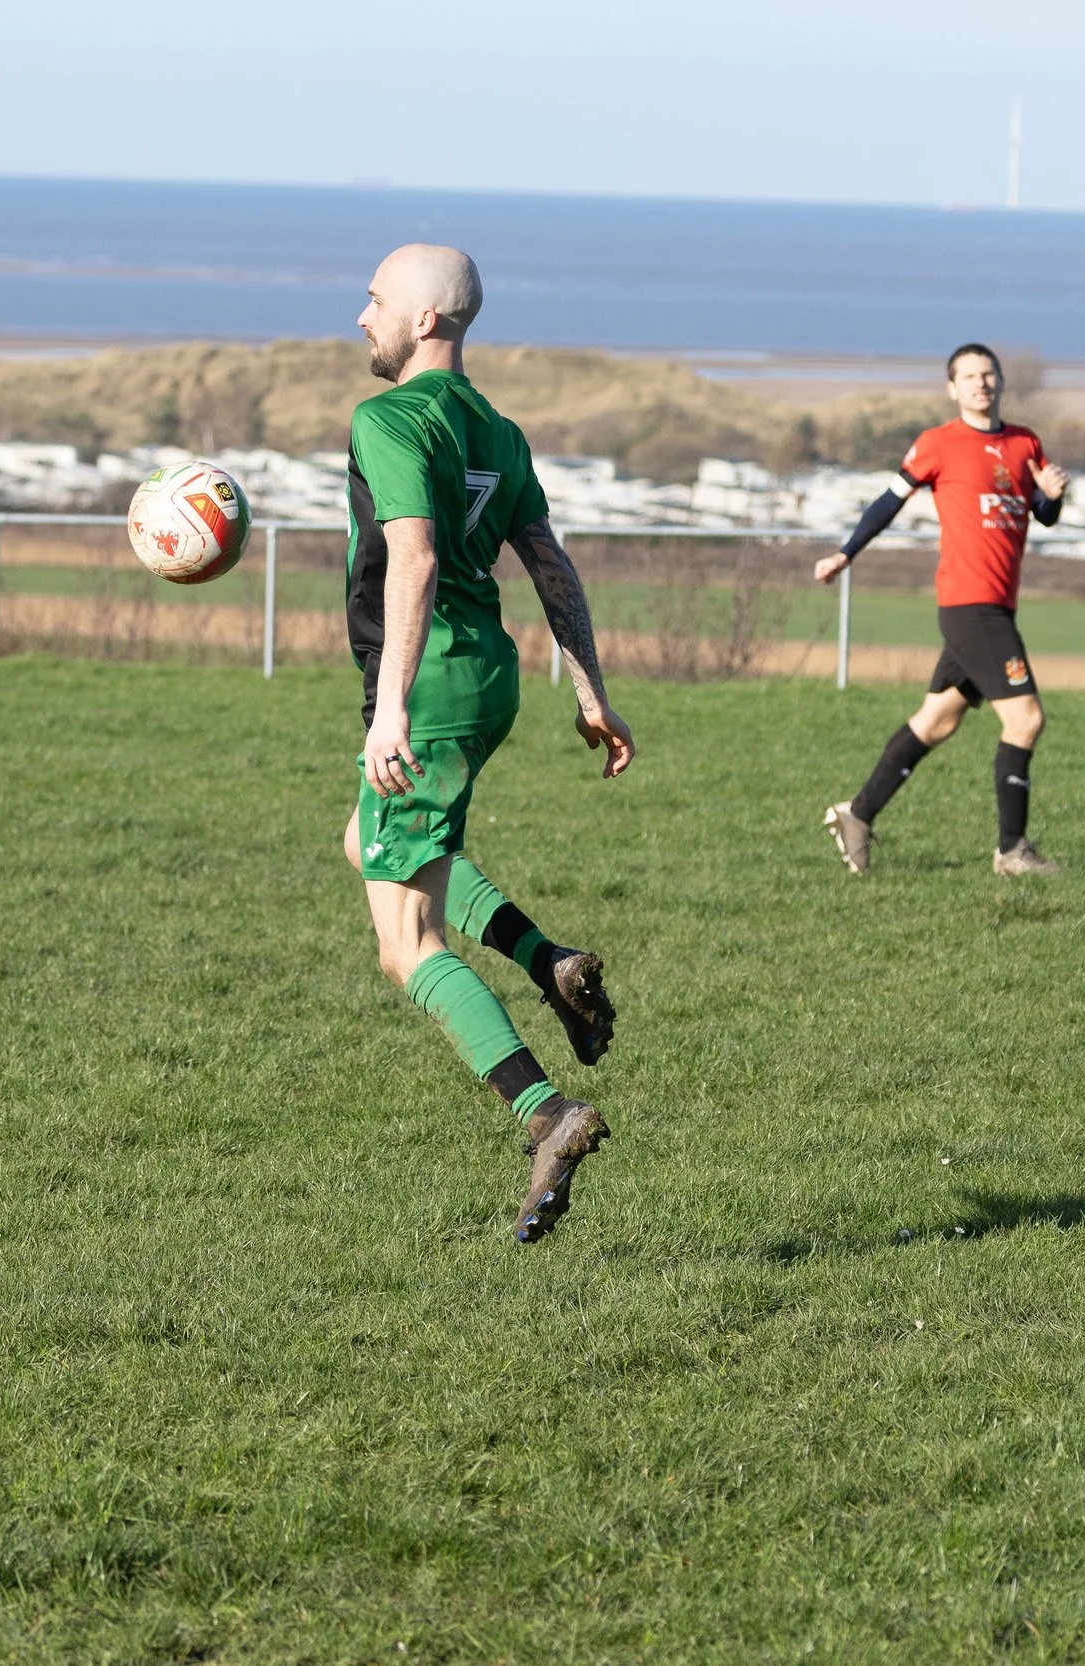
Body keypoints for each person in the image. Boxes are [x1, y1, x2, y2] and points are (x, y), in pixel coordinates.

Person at [341, 243, 636, 1244]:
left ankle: (545, 1112)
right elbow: (550, 563)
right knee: (366, 841)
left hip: (428, 685)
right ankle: (546, 958)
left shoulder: (387, 417)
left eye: (375, 300)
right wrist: (590, 687)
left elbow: (414, 561)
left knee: (404, 943)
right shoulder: (498, 430)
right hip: (489, 676)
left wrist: (389, 712)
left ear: (425, 319)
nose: (359, 315)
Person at [813, 344, 1070, 876]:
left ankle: (856, 815)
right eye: (969, 376)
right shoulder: (938, 444)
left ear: (1000, 381)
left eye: (988, 374)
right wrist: (845, 553)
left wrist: (1052, 496)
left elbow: (1042, 515)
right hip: (969, 606)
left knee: (937, 721)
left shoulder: (1025, 442)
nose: (981, 383)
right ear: (952, 388)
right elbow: (887, 503)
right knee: (1025, 719)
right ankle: (1012, 851)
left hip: (998, 603)